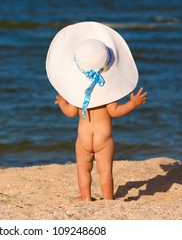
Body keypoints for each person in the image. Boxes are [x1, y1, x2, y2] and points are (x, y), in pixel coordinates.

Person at [46, 22, 147, 201]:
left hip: (83, 139)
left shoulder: (78, 92)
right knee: (105, 169)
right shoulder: (108, 88)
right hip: (104, 139)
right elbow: (115, 111)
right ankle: (108, 199)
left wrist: (62, 102)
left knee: (83, 168)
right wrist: (132, 104)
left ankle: (86, 197)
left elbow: (70, 112)